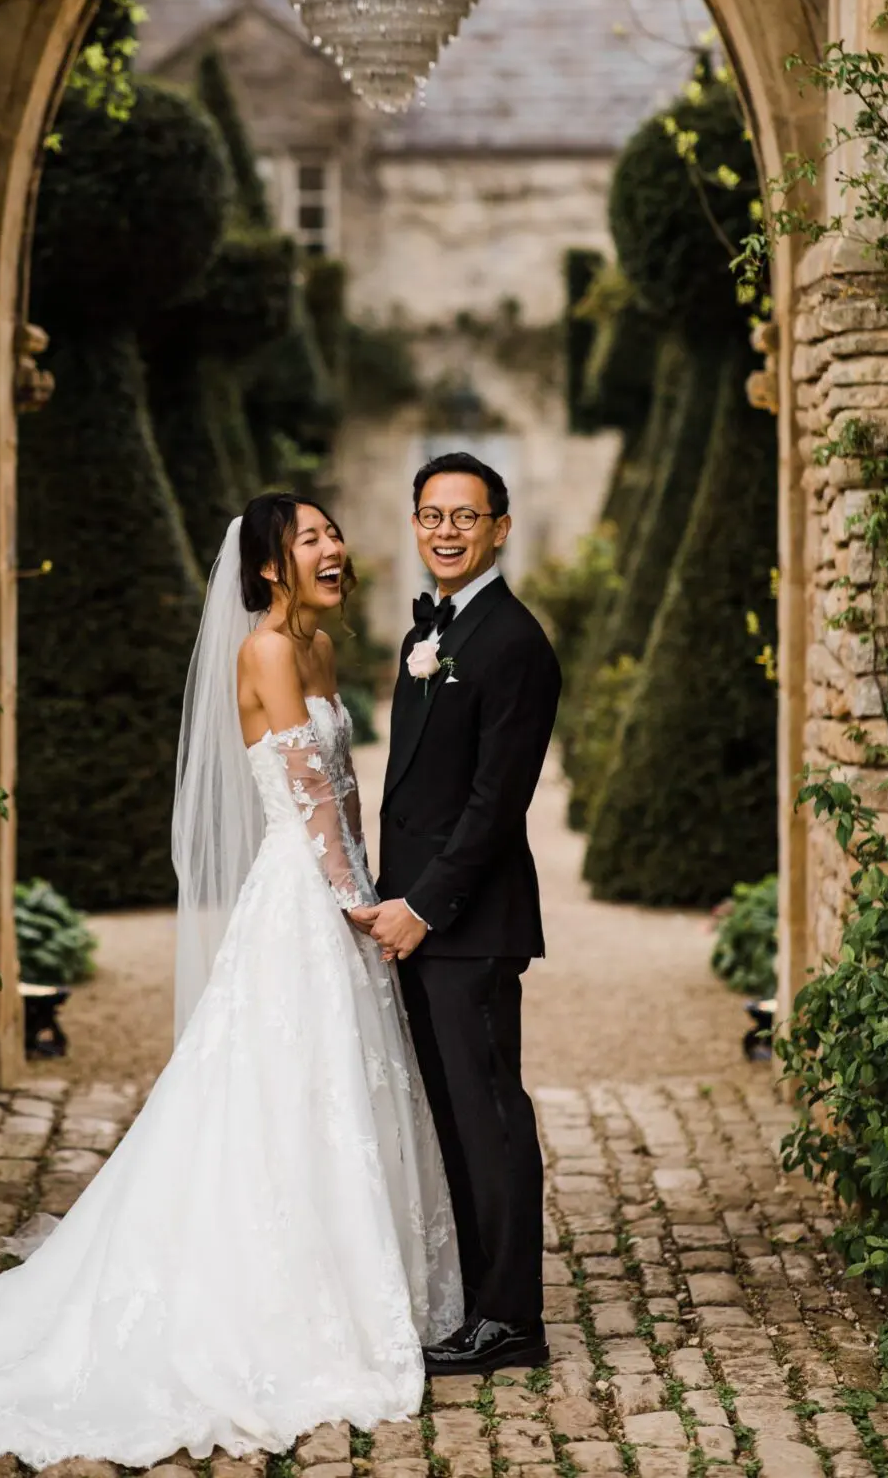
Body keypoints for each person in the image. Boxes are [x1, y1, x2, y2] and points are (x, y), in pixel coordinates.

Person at [0, 494, 462, 1469]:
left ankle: (348, 1278)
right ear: (265, 570)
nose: (333, 547)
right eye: (310, 539)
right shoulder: (267, 653)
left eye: (332, 532)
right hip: (305, 900)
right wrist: (355, 906)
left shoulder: (322, 651)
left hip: (340, 891)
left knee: (333, 1090)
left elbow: (345, 796)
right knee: (277, 1091)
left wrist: (368, 886)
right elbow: (307, 806)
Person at [356, 452, 561, 1377]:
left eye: (465, 517)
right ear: (415, 523)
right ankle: (473, 1298)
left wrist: (424, 911)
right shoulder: (430, 632)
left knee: (491, 1118)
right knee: (449, 1115)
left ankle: (512, 1319)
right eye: (432, 515)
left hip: (465, 927)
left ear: (499, 528)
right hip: (417, 922)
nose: (446, 530)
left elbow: (493, 804)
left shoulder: (516, 643)